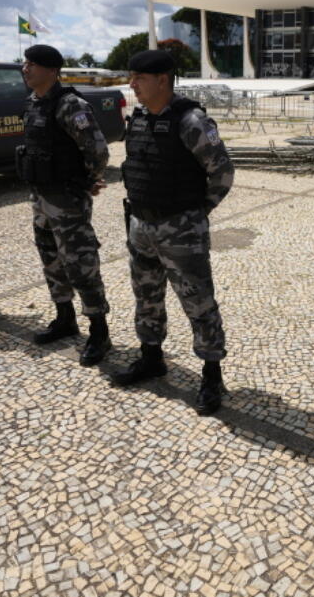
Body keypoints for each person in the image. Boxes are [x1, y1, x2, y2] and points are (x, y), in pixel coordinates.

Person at [113, 49, 234, 415]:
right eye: (131, 77)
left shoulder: (192, 121)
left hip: (180, 228)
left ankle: (212, 376)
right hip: (141, 226)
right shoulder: (138, 119)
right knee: (146, 296)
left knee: (198, 302)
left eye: (139, 78)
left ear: (162, 80)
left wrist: (196, 213)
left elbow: (223, 173)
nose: (131, 84)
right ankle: (151, 357)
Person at [18, 44, 113, 365]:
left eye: (31, 64)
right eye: (25, 63)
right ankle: (64, 317)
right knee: (50, 257)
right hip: (41, 197)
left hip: (67, 199)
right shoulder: (33, 103)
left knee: (80, 263)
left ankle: (99, 331)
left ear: (51, 70)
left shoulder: (70, 105)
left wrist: (86, 183)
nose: (25, 69)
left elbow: (98, 151)